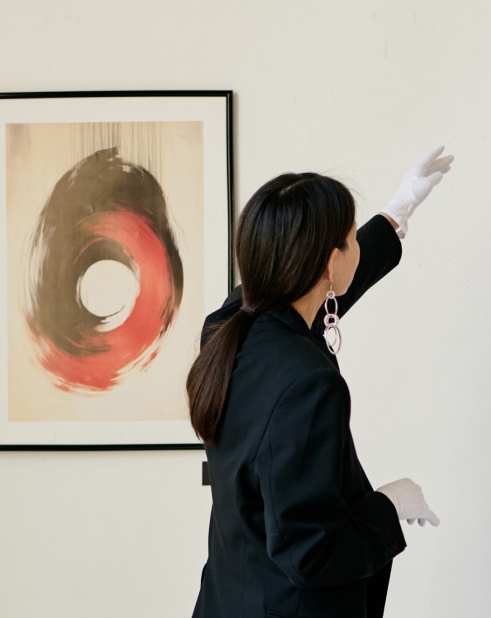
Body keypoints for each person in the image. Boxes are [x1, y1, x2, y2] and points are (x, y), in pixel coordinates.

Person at [190, 147, 453, 618]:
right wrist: (385, 508)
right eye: (351, 238)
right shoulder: (308, 383)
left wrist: (396, 213)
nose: (356, 245)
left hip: (230, 600)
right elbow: (310, 552)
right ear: (329, 263)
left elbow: (310, 288)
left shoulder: (226, 328)